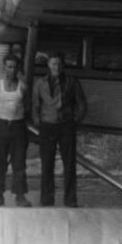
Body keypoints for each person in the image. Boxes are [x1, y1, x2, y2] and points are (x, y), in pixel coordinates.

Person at [32, 52, 87, 207]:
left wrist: (75, 121)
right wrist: (38, 121)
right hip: (47, 126)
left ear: (62, 66)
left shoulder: (71, 82)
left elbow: (81, 104)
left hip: (66, 126)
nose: (56, 67)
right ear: (48, 66)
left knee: (69, 164)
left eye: (58, 64)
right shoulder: (40, 83)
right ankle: (47, 199)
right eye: (53, 64)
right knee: (47, 163)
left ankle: (70, 200)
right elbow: (35, 104)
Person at [0, 54, 32, 207]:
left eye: (14, 67)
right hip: (1, 126)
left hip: (18, 128)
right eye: (9, 66)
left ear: (18, 68)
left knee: (19, 162)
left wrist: (16, 119)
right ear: (4, 67)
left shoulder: (23, 86)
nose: (12, 70)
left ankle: (20, 196)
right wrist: (1, 120)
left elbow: (27, 108)